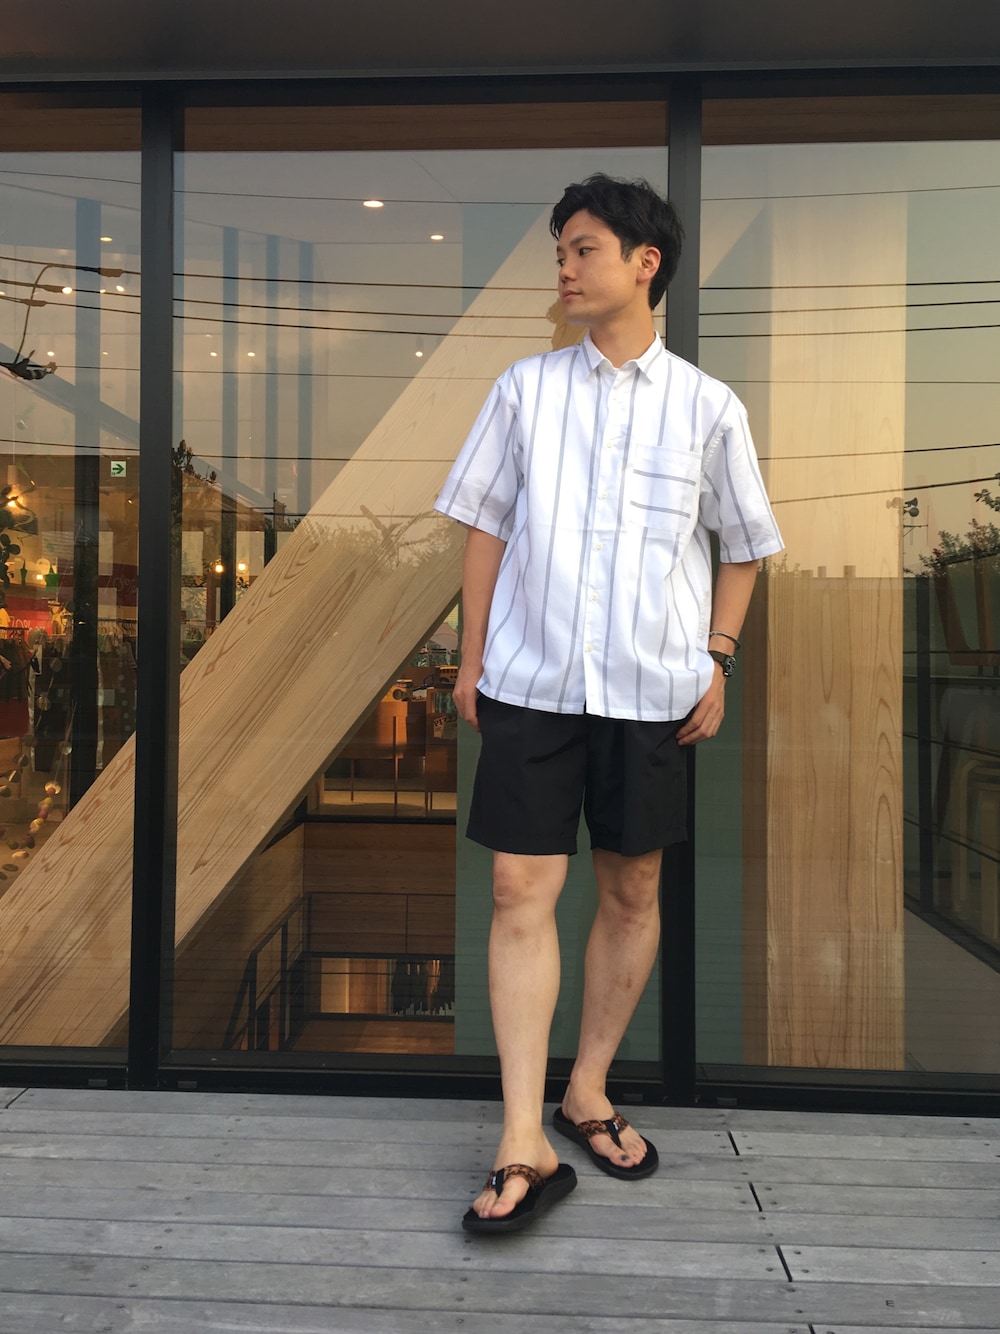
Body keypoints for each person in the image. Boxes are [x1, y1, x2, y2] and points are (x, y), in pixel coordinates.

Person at [434, 173, 784, 1234]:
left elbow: (745, 544)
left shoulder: (706, 407)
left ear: (644, 262)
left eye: (582, 248)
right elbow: (485, 527)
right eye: (560, 251)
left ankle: (585, 1090)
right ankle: (521, 1137)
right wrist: (470, 658)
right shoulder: (524, 390)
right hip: (532, 683)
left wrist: (717, 656)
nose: (565, 266)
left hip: (650, 691)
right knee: (517, 891)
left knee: (631, 893)